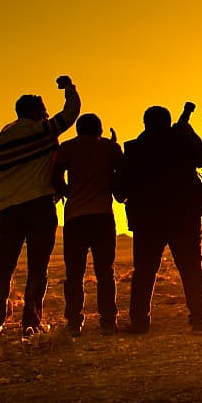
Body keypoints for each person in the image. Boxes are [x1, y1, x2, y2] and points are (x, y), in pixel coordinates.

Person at [0, 76, 80, 337]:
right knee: (38, 266)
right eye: (44, 109)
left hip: (8, 210)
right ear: (35, 112)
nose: (47, 112)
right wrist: (69, 88)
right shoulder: (44, 130)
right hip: (39, 205)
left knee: (4, 267)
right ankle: (31, 322)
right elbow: (71, 113)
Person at [115, 103, 202, 333]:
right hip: (184, 216)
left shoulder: (135, 148)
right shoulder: (182, 142)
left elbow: (120, 189)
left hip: (148, 219)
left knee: (145, 271)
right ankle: (199, 319)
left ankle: (140, 322)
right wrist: (187, 131)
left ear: (145, 123)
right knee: (190, 268)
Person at [51, 113, 124, 336]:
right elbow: (121, 175)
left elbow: (55, 175)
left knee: (74, 274)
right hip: (102, 215)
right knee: (105, 271)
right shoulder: (110, 149)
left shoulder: (67, 148)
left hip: (75, 217)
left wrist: (65, 191)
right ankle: (108, 320)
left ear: (79, 130)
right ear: (100, 130)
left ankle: (74, 321)